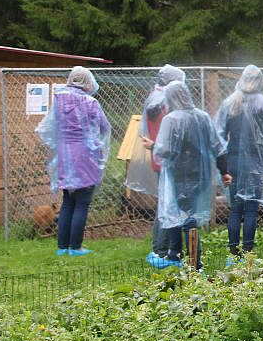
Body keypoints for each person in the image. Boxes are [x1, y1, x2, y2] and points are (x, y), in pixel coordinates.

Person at [150, 81, 227, 269]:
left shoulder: (171, 119)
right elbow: (217, 146)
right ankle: (175, 254)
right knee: (178, 212)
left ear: (170, 98)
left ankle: (195, 262)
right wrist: (224, 171)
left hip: (180, 175)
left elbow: (167, 150)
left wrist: (152, 146)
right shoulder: (203, 117)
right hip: (201, 175)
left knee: (185, 217)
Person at [36, 66, 111, 256]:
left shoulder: (59, 99)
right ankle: (76, 247)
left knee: (68, 201)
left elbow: (49, 126)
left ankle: (62, 247)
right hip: (86, 156)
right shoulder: (90, 102)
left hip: (65, 156)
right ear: (87, 81)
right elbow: (104, 127)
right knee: (82, 202)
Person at [215, 65, 263, 262]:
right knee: (252, 209)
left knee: (235, 208)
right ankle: (247, 251)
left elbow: (219, 135)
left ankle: (233, 252)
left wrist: (222, 164)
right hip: (257, 161)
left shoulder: (231, 102)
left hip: (233, 161)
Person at [125, 64, 185, 267]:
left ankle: (164, 249)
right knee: (167, 205)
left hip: (158, 157)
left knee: (166, 203)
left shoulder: (154, 99)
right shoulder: (165, 102)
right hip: (168, 157)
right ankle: (161, 250)